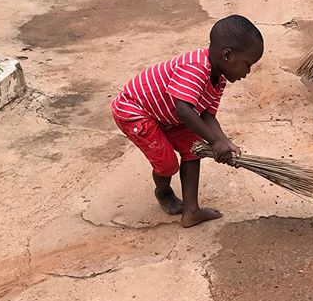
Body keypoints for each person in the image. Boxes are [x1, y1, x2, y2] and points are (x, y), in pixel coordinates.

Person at [112, 15, 264, 227]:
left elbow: (207, 115)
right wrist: (214, 141)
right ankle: (164, 191)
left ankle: (191, 211)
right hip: (136, 111)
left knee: (193, 148)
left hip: (168, 114)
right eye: (247, 64)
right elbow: (183, 109)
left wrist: (224, 141)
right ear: (227, 55)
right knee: (167, 164)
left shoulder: (218, 80)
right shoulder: (195, 67)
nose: (248, 72)